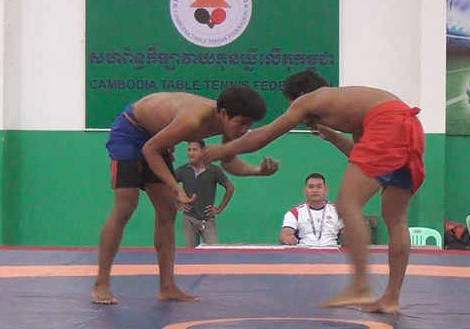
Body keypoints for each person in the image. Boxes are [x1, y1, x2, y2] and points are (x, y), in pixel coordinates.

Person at [203, 70, 425, 314]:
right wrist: (332, 137)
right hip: (410, 128)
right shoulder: (355, 111)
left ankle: (361, 285)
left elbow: (265, 134)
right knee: (395, 219)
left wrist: (225, 150)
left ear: (300, 96)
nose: (298, 117)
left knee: (347, 204)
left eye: (291, 106)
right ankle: (390, 299)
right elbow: (366, 157)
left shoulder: (309, 99)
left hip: (389, 124)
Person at [91, 87, 278, 305]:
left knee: (167, 210)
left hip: (154, 138)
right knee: (126, 206)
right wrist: (176, 188)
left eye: (249, 124)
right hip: (130, 130)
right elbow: (149, 150)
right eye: (241, 123)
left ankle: (167, 286)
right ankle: (101, 283)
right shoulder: (193, 119)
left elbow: (229, 162)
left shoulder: (228, 122)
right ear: (224, 114)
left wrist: (257, 171)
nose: (244, 130)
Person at [175, 139, 235, 248]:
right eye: (189, 150)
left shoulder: (214, 170)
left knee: (213, 252)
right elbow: (168, 186)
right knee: (189, 254)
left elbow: (230, 188)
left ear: (203, 151)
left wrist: (219, 208)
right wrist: (178, 204)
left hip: (207, 220)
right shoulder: (182, 170)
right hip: (189, 219)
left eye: (194, 150)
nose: (191, 153)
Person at [280, 172, 343, 247]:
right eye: (311, 187)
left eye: (319, 187)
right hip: (304, 252)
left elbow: (348, 234)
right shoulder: (295, 212)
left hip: (333, 251)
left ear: (326, 190)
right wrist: (287, 238)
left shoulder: (339, 210)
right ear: (305, 191)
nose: (315, 190)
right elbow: (285, 235)